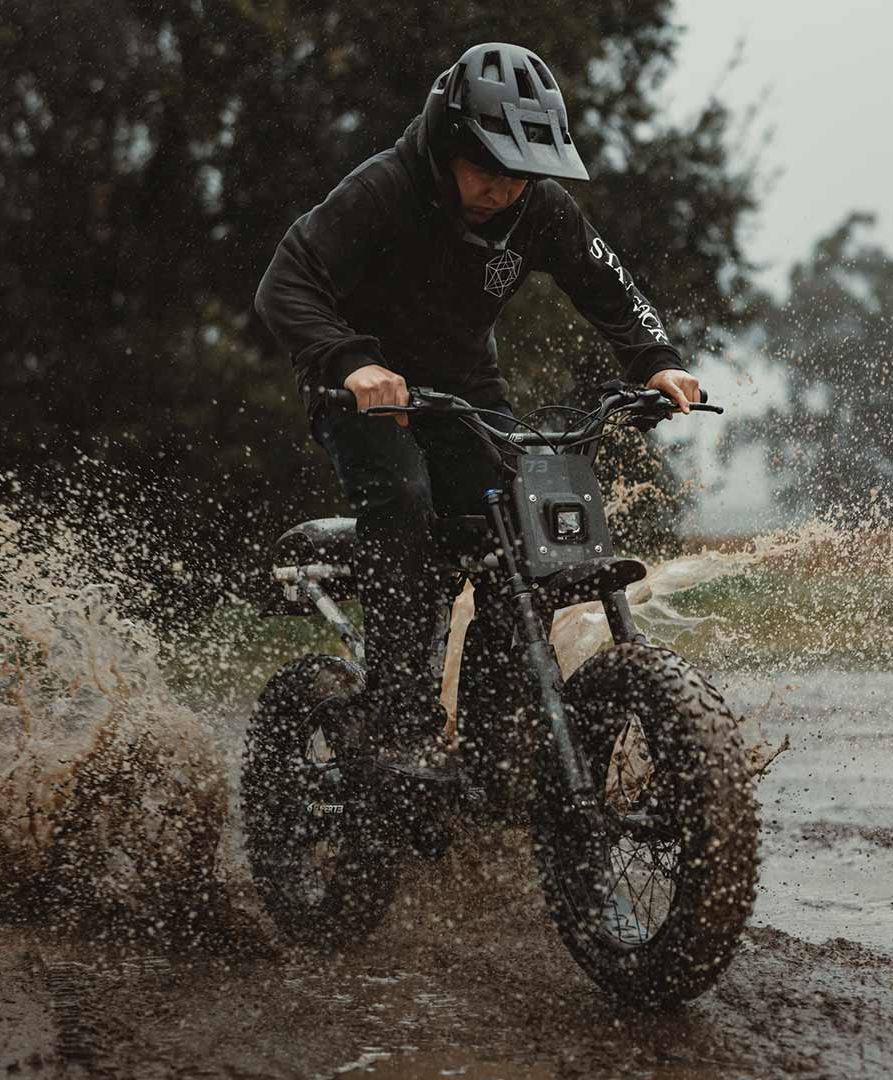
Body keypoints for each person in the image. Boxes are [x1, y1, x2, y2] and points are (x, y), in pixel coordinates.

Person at [255, 42, 699, 770]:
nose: (505, 189)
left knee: (523, 525)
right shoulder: (384, 190)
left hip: (465, 393)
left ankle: (504, 728)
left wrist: (659, 362)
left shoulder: (540, 208)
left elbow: (608, 287)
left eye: (522, 174)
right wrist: (353, 361)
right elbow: (286, 281)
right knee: (403, 497)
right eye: (489, 169)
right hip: (361, 391)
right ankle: (399, 719)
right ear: (445, 145)